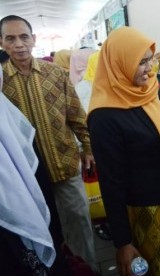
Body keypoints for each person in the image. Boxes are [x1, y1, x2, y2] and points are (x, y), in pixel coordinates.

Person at [87, 26, 160, 276]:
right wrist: (122, 242)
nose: (149, 69)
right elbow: (111, 181)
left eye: (149, 60)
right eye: (139, 62)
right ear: (119, 63)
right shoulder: (104, 115)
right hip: (149, 211)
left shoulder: (150, 92)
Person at [0, 15, 97, 272]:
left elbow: (77, 116)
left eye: (24, 37)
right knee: (43, 234)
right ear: (1, 43)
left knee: (80, 229)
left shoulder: (56, 74)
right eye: (10, 38)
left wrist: (87, 147)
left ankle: (88, 271)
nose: (19, 44)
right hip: (27, 179)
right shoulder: (0, 82)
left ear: (34, 39)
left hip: (65, 167)